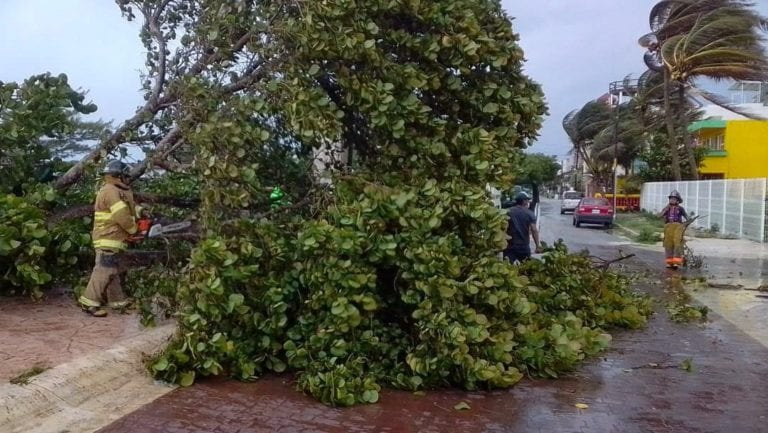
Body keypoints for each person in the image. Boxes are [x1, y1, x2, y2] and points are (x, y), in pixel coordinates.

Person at [79, 160, 141, 317]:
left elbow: (126, 207)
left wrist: (140, 211)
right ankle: (89, 302)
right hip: (108, 237)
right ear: (118, 176)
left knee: (112, 270)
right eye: (125, 176)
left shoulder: (113, 190)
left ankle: (118, 301)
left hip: (113, 237)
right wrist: (133, 229)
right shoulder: (111, 191)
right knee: (103, 270)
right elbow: (121, 214)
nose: (128, 179)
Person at [504, 192, 542, 263]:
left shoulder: (508, 212)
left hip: (510, 246)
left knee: (507, 268)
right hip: (523, 246)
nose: (528, 202)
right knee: (527, 268)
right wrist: (537, 246)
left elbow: (503, 227)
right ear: (523, 201)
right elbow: (534, 230)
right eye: (527, 200)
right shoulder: (529, 213)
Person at [660, 190, 688, 269]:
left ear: (678, 200)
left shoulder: (681, 208)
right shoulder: (666, 208)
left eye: (674, 199)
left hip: (678, 227)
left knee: (677, 244)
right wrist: (665, 209)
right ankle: (669, 263)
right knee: (668, 245)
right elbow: (659, 216)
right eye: (671, 198)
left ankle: (676, 262)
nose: (672, 200)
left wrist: (687, 222)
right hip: (668, 227)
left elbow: (686, 216)